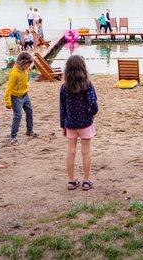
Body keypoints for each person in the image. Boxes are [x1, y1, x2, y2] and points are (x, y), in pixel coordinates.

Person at [59, 55, 99, 191]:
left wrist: (63, 125)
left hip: (70, 123)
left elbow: (62, 108)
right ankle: (86, 181)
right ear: (83, 68)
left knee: (71, 152)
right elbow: (93, 103)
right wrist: (92, 114)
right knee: (85, 152)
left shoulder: (64, 87)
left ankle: (71, 181)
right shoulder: (87, 85)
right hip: (85, 122)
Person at [5, 52, 38, 145]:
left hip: (25, 95)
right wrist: (8, 102)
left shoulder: (25, 70)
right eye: (28, 64)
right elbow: (8, 89)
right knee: (18, 115)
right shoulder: (14, 74)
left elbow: (25, 79)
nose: (29, 66)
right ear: (22, 63)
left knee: (29, 111)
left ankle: (29, 130)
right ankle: (13, 137)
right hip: (15, 97)